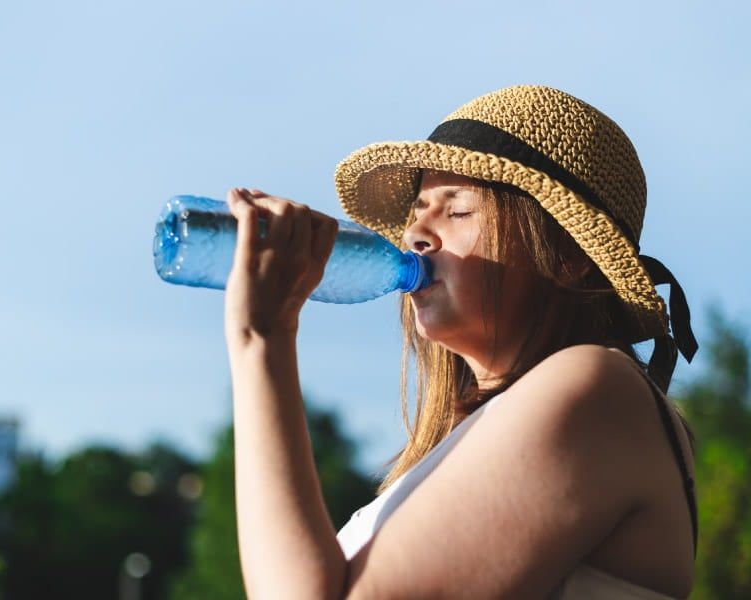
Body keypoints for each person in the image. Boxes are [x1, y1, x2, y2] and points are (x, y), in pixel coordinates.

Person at [224, 84, 699, 598]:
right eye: (417, 211)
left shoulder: (595, 385)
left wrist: (262, 338)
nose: (414, 235)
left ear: (568, 255)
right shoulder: (474, 438)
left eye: (457, 211)